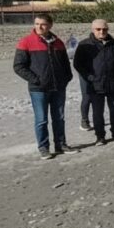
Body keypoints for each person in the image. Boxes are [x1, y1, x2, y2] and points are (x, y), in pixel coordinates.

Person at [14, 13, 79, 159]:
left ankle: (61, 144)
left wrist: (66, 79)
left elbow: (65, 65)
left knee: (59, 118)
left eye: (42, 24)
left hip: (58, 88)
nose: (39, 27)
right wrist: (36, 80)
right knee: (41, 119)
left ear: (50, 25)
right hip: (39, 90)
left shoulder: (58, 42)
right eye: (37, 24)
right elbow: (18, 66)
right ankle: (43, 147)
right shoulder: (26, 42)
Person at [73, 19, 114, 145]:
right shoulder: (84, 45)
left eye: (105, 29)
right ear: (93, 30)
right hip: (95, 85)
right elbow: (78, 65)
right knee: (98, 112)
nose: (102, 31)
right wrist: (90, 78)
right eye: (98, 29)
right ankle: (100, 136)